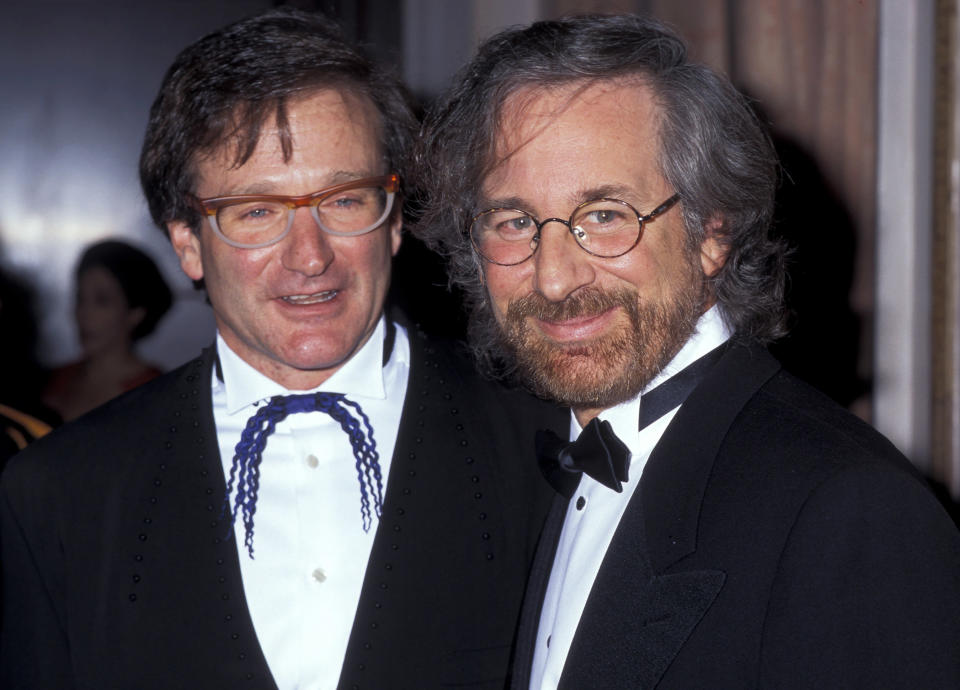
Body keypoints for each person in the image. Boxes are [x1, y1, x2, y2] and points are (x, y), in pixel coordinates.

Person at [0, 9, 562, 689]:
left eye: (345, 200)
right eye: (258, 212)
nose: (310, 257)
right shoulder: (60, 493)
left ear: (392, 221)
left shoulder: (548, 441)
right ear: (186, 241)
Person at [415, 14, 960, 689]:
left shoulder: (851, 512)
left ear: (712, 234)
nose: (554, 277)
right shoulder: (525, 469)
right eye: (516, 222)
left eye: (606, 216)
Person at [43, 239, 172, 421]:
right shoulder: (54, 380)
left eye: (102, 300)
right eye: (81, 298)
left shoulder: (156, 393)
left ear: (136, 313)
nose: (84, 314)